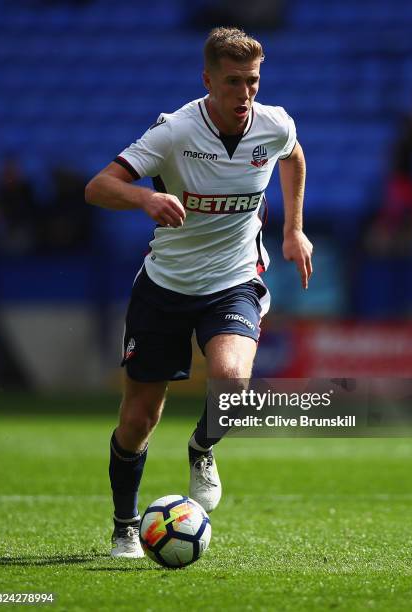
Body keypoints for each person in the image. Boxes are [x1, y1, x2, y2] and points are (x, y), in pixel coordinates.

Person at [85, 26, 313, 558]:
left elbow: (294, 157)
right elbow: (98, 187)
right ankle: (124, 524)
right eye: (233, 82)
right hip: (165, 286)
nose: (245, 94)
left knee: (233, 382)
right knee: (138, 419)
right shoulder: (174, 132)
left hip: (233, 279)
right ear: (208, 80)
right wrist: (144, 199)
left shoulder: (273, 123)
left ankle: (202, 448)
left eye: (253, 81)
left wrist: (293, 228)